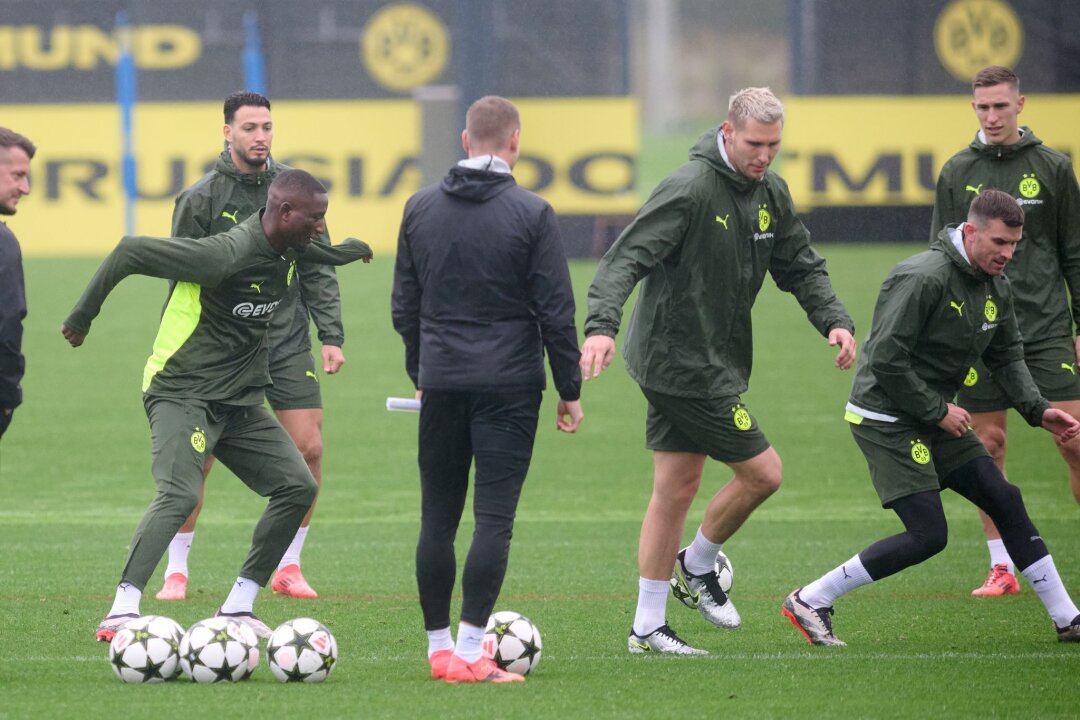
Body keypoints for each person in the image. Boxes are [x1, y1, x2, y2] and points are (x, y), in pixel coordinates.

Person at [580, 87, 856, 655]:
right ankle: (698, 563)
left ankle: (646, 627)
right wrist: (601, 326)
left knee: (675, 489)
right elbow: (625, 257)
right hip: (681, 364)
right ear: (728, 133)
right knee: (764, 473)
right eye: (755, 143)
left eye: (774, 145)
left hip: (712, 359)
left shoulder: (770, 193)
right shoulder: (689, 188)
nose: (765, 155)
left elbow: (800, 264)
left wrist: (833, 319)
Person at [61, 170, 372, 642]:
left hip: (239, 400)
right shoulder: (223, 254)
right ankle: (122, 609)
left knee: (297, 486)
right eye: (317, 218)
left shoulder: (291, 243)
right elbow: (128, 251)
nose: (320, 227)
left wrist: (350, 250)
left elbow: (319, 250)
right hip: (182, 390)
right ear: (285, 213)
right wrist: (80, 319)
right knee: (180, 493)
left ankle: (239, 607)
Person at [784, 190, 1080, 646]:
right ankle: (812, 598)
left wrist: (1038, 410)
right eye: (999, 242)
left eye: (1014, 245)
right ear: (970, 231)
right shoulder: (922, 277)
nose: (1007, 254)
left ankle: (1068, 619)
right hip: (885, 417)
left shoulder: (996, 285)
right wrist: (937, 410)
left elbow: (1006, 356)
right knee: (928, 535)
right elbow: (885, 359)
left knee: (1004, 498)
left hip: (936, 414)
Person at [392, 96, 583, 683]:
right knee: (493, 519)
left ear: (464, 139)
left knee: (437, 518)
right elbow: (556, 310)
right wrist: (568, 388)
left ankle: (439, 650)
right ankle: (474, 655)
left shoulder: (419, 207)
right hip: (510, 387)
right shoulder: (533, 212)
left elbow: (405, 307)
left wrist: (423, 372)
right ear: (516, 141)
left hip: (442, 382)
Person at [155, 91, 348, 602]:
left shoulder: (296, 192)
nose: (260, 136)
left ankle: (288, 564)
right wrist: (174, 351)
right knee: (199, 456)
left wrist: (331, 334)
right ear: (227, 133)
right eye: (249, 128)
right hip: (216, 349)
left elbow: (319, 264)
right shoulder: (200, 199)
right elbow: (180, 281)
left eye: (267, 126)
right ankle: (177, 567)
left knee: (309, 448)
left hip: (283, 339)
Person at [930, 66, 1080, 598]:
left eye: (1000, 106)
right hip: (979, 332)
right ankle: (1002, 567)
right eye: (982, 107)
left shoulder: (1054, 168)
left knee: (1075, 441)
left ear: (1021, 104)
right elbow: (940, 254)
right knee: (986, 446)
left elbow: (1074, 252)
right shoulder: (956, 171)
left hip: (1044, 328)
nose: (991, 117)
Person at [0, 128, 34, 444]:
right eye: (17, 175)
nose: (25, 188)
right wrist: (8, 396)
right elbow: (6, 326)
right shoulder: (2, 243)